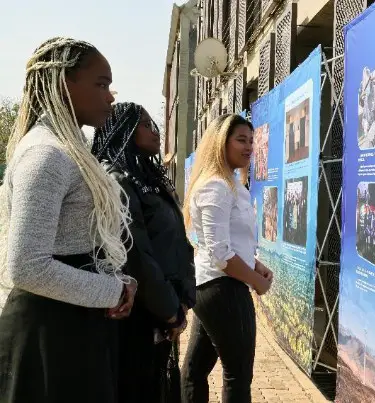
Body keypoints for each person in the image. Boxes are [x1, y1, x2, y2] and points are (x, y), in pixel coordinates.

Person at [0, 37, 137, 403]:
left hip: (73, 323)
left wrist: (118, 280)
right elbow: (27, 266)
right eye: (101, 84)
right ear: (64, 84)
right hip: (50, 334)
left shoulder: (68, 148)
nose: (111, 97)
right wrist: (114, 290)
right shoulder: (46, 154)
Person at [92, 102, 196, 403]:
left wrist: (180, 302)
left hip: (162, 312)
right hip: (139, 315)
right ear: (123, 130)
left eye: (154, 124)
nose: (155, 130)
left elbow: (172, 243)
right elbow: (135, 255)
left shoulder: (143, 177)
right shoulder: (116, 179)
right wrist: (169, 310)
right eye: (146, 125)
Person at [181, 114, 274, 403]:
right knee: (238, 375)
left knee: (195, 370)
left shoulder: (232, 184)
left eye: (251, 140)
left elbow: (233, 243)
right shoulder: (215, 187)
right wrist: (258, 282)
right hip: (223, 289)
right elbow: (220, 254)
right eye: (241, 140)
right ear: (222, 142)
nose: (248, 147)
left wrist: (257, 264)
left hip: (218, 287)